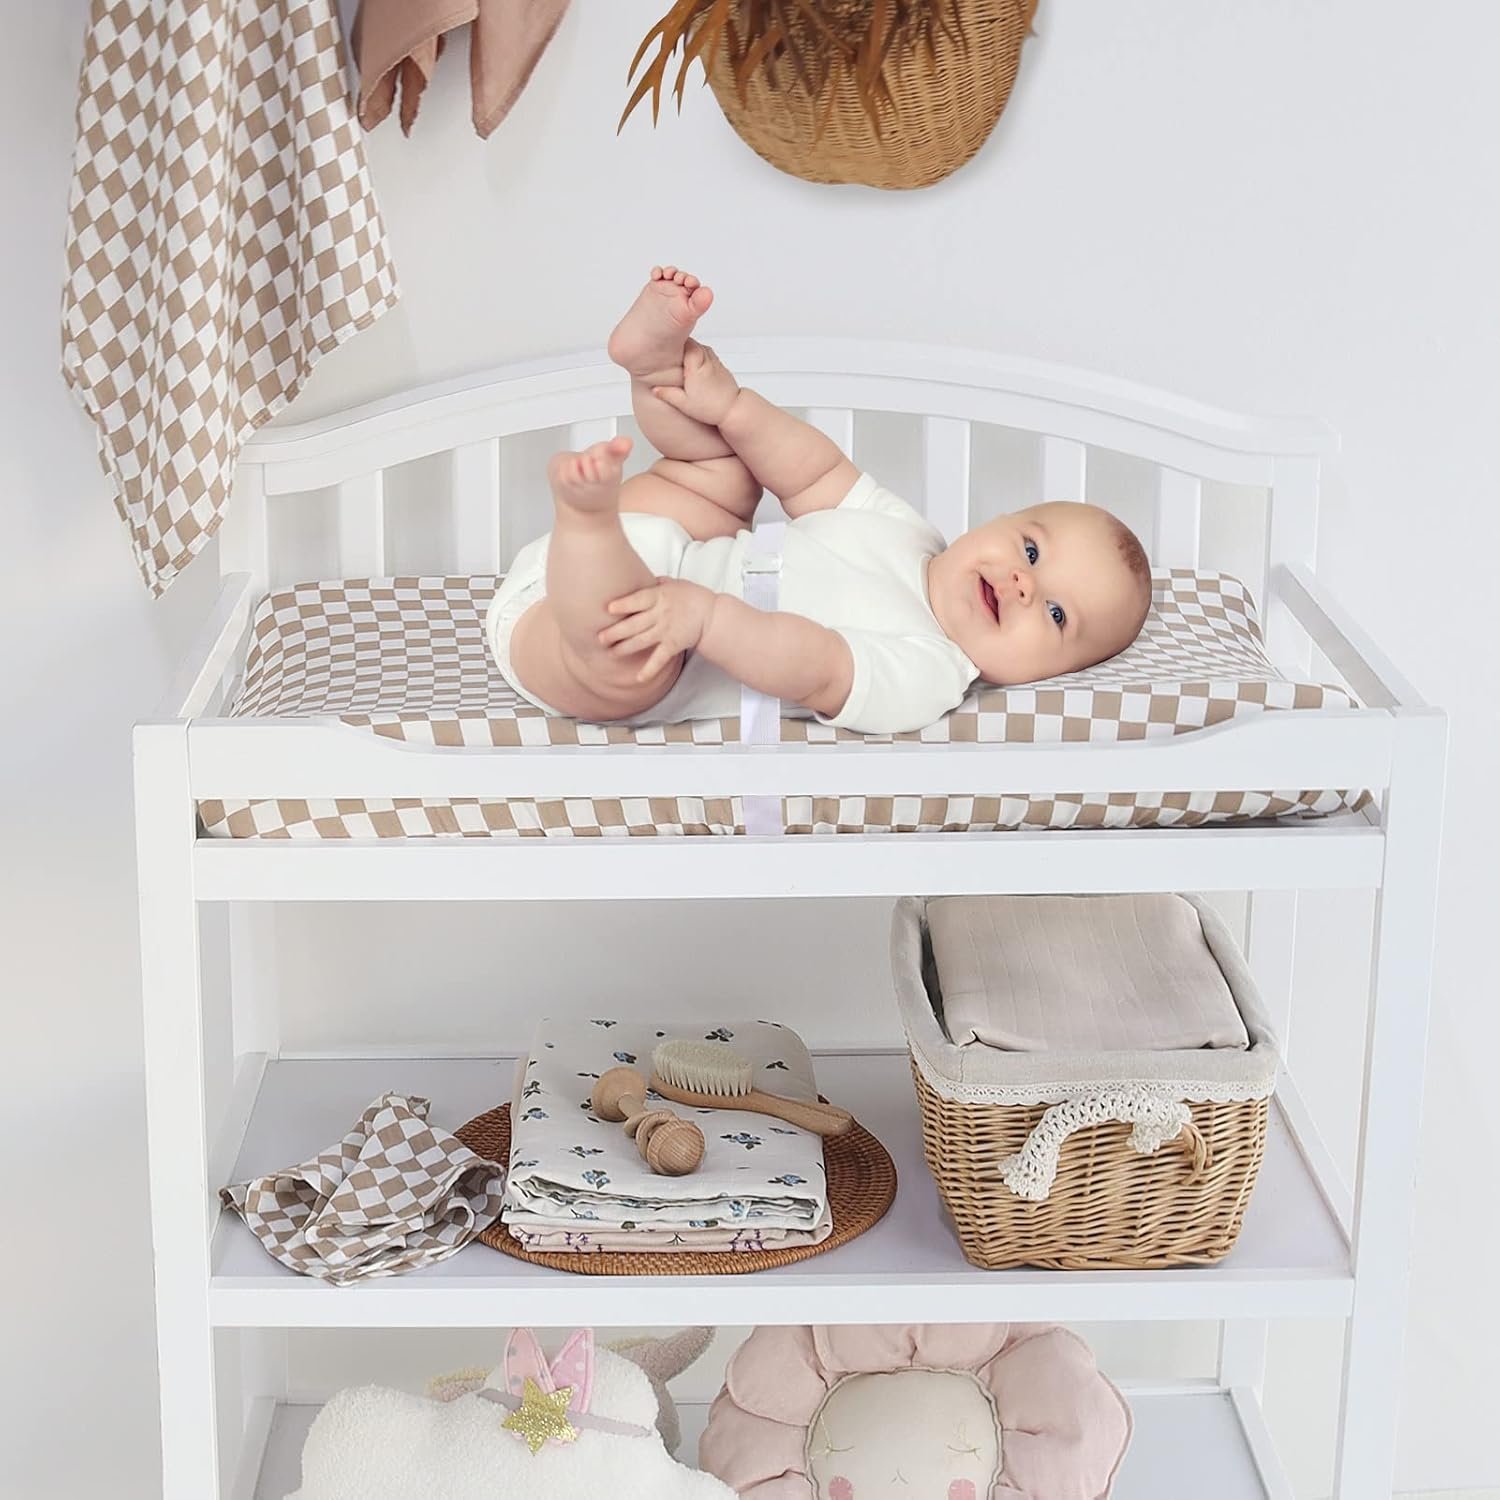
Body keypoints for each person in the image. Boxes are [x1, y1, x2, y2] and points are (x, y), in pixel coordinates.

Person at [486, 267, 1152, 736]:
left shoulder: (930, 670)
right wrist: (733, 408)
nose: (1023, 585)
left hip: (594, 641)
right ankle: (656, 369)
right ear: (999, 521)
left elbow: (817, 665)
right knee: (719, 476)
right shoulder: (910, 534)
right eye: (1030, 550)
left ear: (1049, 673)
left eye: (1057, 614)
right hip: (674, 550)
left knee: (633, 664)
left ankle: (587, 523)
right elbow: (813, 475)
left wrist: (707, 621)